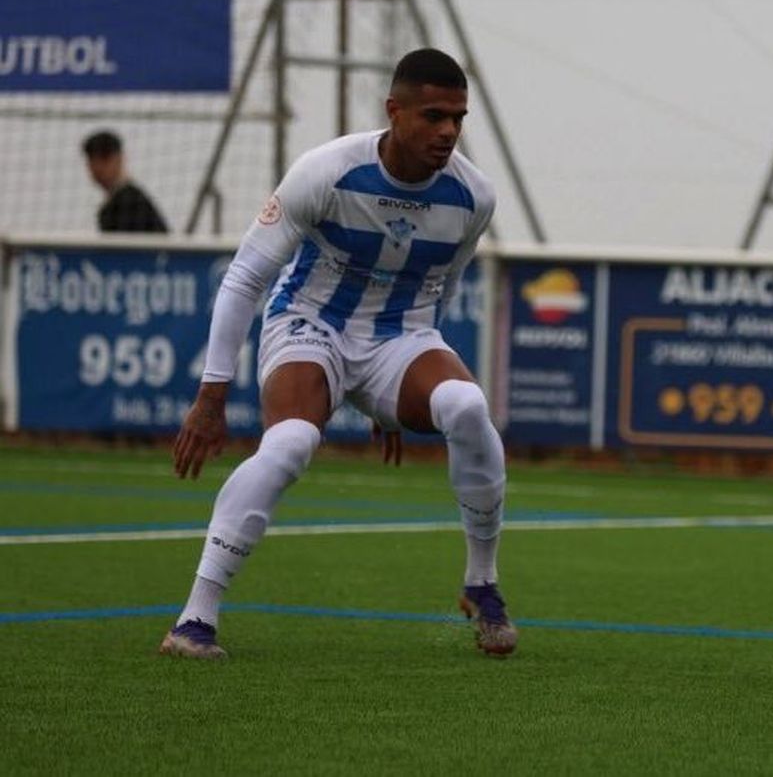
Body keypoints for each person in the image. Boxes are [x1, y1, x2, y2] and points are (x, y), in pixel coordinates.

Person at [160, 48, 515, 660]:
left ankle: (481, 582)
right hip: (309, 325)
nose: (449, 131)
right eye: (433, 116)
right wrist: (211, 395)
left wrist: (397, 397)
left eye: (458, 117)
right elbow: (246, 277)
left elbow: (441, 291)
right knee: (293, 443)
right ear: (394, 111)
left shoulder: (473, 197)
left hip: (399, 334)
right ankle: (196, 618)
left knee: (464, 403)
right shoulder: (326, 171)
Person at [82, 130, 168, 233]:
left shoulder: (129, 200)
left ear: (119, 158)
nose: (98, 166)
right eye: (92, 159)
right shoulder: (117, 201)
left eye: (105, 158)